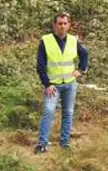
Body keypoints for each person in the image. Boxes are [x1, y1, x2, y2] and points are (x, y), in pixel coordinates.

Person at [34, 12, 89, 154]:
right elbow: (40, 65)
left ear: (69, 25)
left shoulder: (72, 40)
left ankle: (65, 142)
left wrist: (81, 70)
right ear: (54, 25)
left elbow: (84, 54)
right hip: (53, 85)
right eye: (59, 23)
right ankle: (42, 143)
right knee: (48, 111)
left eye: (65, 23)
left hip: (70, 84)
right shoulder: (46, 41)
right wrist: (47, 84)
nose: (62, 26)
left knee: (68, 113)